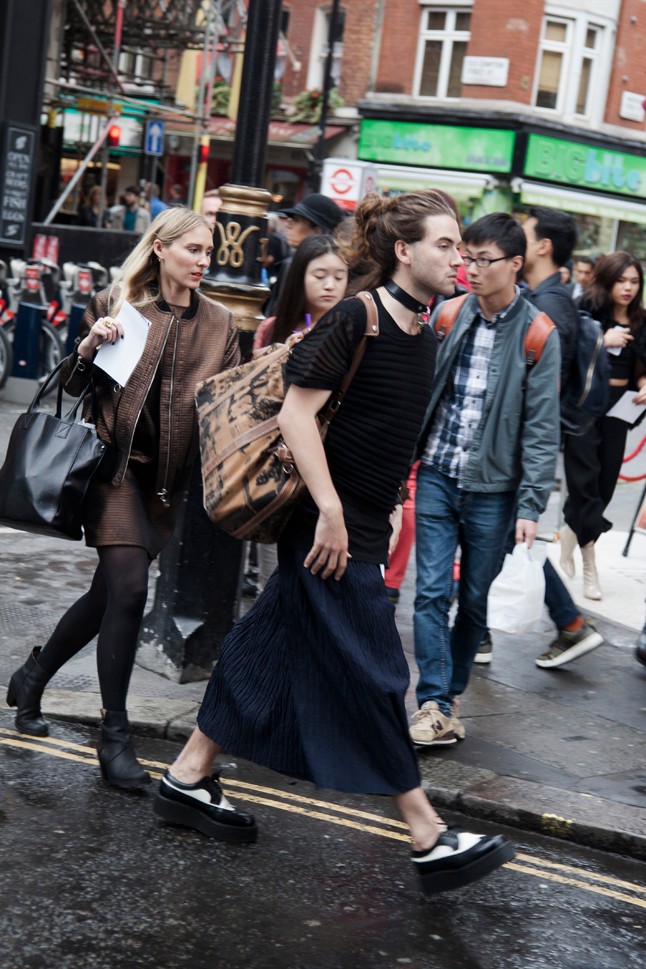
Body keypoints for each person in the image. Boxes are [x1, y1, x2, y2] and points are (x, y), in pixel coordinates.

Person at [152, 191, 516, 896]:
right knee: (377, 671)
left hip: (363, 524)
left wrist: (385, 503)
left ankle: (187, 774)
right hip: (328, 531)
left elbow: (379, 431)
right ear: (405, 250)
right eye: (445, 244)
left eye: (461, 246)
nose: (459, 258)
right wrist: (328, 510)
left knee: (266, 647)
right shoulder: (361, 315)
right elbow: (296, 410)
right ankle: (426, 831)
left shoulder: (425, 332)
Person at [6, 207, 240, 791]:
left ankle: (33, 677)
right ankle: (115, 736)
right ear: (160, 249)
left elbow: (228, 404)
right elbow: (76, 390)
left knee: (107, 593)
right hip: (113, 472)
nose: (202, 262)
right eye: (192, 250)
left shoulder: (220, 325)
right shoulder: (118, 307)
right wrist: (89, 345)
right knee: (131, 589)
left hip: (167, 486)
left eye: (208, 252)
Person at [410, 212, 561, 747]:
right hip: (436, 473)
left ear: (515, 265)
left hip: (493, 491)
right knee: (429, 591)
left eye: (483, 260)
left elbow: (542, 430)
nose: (469, 269)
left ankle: (445, 696)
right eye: (465, 258)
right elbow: (420, 394)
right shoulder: (448, 315)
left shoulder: (539, 334)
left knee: (473, 599)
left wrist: (530, 505)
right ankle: (434, 701)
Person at [498, 206, 602, 669]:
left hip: (523, 440)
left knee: (503, 531)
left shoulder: (551, 304)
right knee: (501, 532)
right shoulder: (544, 295)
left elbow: (539, 386)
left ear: (542, 246)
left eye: (524, 233)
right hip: (519, 439)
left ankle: (568, 624)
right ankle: (566, 623)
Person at [560, 251, 646, 599]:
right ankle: (589, 563)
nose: (627, 288)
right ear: (608, 280)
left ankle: (570, 531)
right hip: (584, 410)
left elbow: (642, 370)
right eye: (621, 280)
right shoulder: (587, 310)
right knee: (584, 486)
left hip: (619, 412)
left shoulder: (641, 321)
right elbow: (565, 348)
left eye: (634, 282)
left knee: (605, 486)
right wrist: (600, 340)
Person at [264, 193, 346, 315]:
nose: (288, 224)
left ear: (317, 231)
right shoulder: (291, 262)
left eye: (296, 220)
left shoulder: (293, 264)